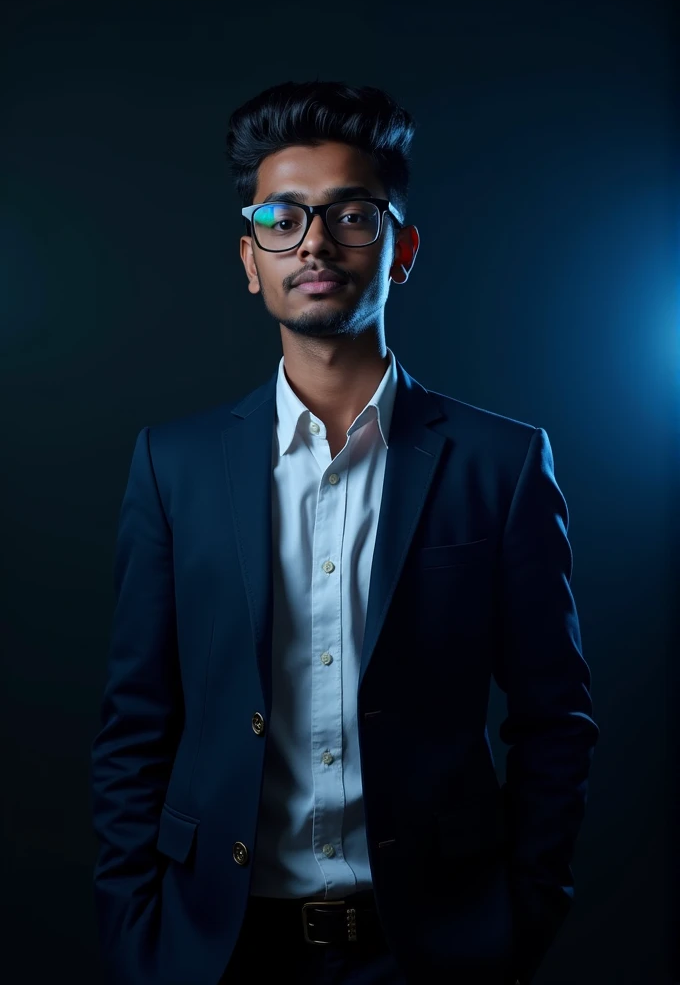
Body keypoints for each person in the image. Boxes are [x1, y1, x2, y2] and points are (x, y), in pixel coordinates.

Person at [90, 79, 599, 985]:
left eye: (351, 214)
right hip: (217, 950)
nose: (314, 242)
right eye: (281, 218)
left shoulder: (503, 463)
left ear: (400, 248)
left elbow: (554, 720)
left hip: (432, 950)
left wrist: (520, 916)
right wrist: (140, 934)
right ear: (250, 258)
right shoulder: (174, 466)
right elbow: (135, 725)